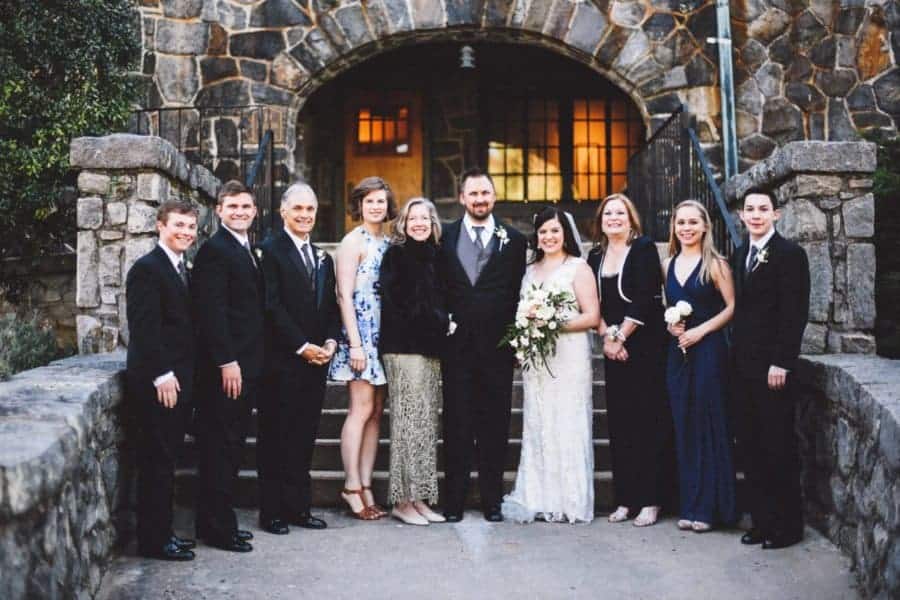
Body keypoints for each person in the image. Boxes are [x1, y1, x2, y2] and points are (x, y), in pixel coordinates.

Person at [439, 167, 527, 522]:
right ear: (462, 198)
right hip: (456, 348)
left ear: (494, 197)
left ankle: (492, 499)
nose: (479, 200)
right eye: (472, 194)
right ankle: (454, 502)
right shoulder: (442, 237)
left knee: (495, 424)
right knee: (457, 423)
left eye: (485, 194)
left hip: (497, 347)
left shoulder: (515, 240)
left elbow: (522, 292)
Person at [502, 207, 600, 524]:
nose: (549, 236)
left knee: (568, 422)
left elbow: (591, 316)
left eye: (555, 231)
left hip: (569, 356)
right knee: (539, 421)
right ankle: (538, 496)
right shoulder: (530, 271)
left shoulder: (578, 268)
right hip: (538, 361)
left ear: (565, 233)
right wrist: (528, 332)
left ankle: (569, 500)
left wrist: (551, 324)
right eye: (543, 231)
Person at [256, 183, 340, 535]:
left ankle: (298, 508)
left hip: (316, 363)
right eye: (299, 209)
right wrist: (301, 345)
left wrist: (332, 340)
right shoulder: (270, 251)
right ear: (284, 212)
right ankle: (272, 512)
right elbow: (271, 305)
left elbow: (330, 306)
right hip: (282, 362)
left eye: (310, 209)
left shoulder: (324, 258)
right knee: (275, 438)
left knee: (304, 438)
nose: (305, 215)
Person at [731, 191, 810, 550]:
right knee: (751, 445)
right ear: (741, 216)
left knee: (778, 445)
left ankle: (788, 526)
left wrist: (782, 361)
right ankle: (762, 522)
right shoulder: (737, 256)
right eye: (750, 210)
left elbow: (794, 313)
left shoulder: (790, 255)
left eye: (763, 209)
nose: (756, 215)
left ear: (776, 214)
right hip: (743, 370)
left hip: (773, 369)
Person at [587, 193, 669, 527]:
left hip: (644, 344)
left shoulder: (644, 248)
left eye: (620, 213)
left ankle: (651, 500)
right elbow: (592, 304)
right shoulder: (595, 255)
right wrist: (607, 336)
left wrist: (621, 336)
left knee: (647, 422)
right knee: (620, 424)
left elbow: (647, 298)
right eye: (608, 214)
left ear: (631, 218)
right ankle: (625, 499)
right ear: (601, 220)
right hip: (612, 347)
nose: (614, 218)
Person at [192, 180, 263, 552]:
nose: (239, 212)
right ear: (218, 210)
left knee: (231, 446)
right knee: (221, 448)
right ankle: (220, 529)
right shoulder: (215, 251)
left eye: (245, 206)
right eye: (232, 206)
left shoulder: (244, 247)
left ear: (254, 211)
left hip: (245, 365)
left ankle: (212, 521)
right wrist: (227, 361)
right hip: (227, 370)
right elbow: (212, 313)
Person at [126, 199, 199, 561]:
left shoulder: (181, 267)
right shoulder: (147, 269)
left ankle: (164, 532)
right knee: (156, 462)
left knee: (166, 461)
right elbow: (144, 330)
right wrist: (162, 374)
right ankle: (155, 541)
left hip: (177, 382)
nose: (185, 233)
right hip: (159, 384)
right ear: (160, 225)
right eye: (179, 226)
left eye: (190, 227)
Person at [663, 200, 737, 533]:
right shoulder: (668, 264)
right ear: (674, 227)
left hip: (708, 351)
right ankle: (689, 504)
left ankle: (710, 508)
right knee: (685, 424)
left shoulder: (716, 264)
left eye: (693, 222)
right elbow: (669, 308)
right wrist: (674, 328)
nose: (687, 228)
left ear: (705, 226)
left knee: (709, 423)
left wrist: (700, 331)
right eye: (681, 222)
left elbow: (732, 307)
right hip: (679, 353)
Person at [379, 198, 450, 526]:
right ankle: (402, 501)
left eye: (425, 218)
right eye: (413, 218)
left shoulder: (435, 255)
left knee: (424, 427)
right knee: (407, 427)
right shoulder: (397, 255)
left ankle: (420, 498)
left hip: (429, 351)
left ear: (433, 222)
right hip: (403, 349)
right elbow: (400, 305)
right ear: (404, 224)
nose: (419, 223)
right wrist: (440, 322)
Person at [330, 176, 397, 519]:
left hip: (385, 336)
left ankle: (367, 484)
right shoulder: (351, 242)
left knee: (375, 414)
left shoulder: (387, 242)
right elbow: (343, 295)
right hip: (360, 337)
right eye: (370, 201)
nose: (376, 206)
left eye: (381, 201)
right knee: (360, 408)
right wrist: (355, 343)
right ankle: (351, 485)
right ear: (360, 205)